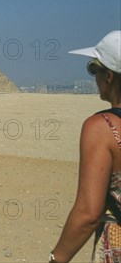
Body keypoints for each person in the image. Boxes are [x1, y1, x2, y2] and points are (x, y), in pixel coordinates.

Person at [50, 30, 121, 262]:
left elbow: (88, 214)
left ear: (109, 76)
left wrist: (56, 259)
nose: (95, 77)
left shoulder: (102, 127)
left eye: (94, 69)